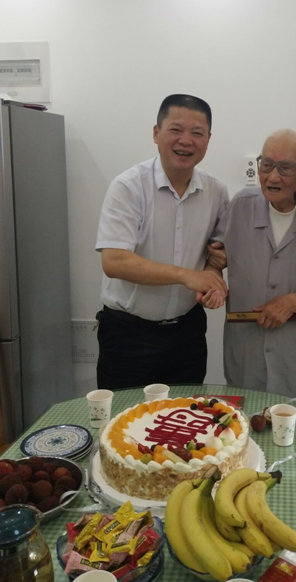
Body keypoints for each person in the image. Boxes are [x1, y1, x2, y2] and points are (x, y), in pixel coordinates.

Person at [207, 129, 296, 406]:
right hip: (247, 361)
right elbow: (212, 259)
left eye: (285, 168)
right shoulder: (240, 207)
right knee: (245, 429)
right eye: (266, 165)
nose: (273, 177)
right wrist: (212, 275)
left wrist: (295, 302)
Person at [95, 94, 228, 391]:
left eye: (197, 133)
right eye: (175, 129)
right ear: (156, 133)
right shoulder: (128, 187)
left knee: (185, 414)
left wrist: (212, 281)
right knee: (125, 416)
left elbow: (217, 256)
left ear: (208, 140)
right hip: (128, 334)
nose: (186, 140)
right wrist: (186, 276)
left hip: (188, 333)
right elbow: (114, 261)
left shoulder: (216, 192)